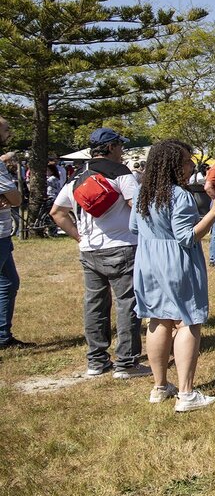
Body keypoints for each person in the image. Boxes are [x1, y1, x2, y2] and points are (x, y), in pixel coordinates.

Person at [131, 140, 215, 411]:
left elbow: (134, 228)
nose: (191, 166)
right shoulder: (179, 195)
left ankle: (159, 386)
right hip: (177, 262)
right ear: (174, 164)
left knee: (158, 319)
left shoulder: (143, 193)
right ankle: (186, 393)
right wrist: (214, 211)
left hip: (148, 262)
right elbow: (187, 237)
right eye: (187, 161)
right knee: (188, 321)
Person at [50, 128, 148, 378]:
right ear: (112, 147)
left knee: (95, 305)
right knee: (127, 304)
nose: (123, 150)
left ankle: (96, 360)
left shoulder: (77, 178)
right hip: (122, 246)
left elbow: (57, 213)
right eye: (120, 146)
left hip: (90, 250)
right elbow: (136, 208)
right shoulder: (121, 173)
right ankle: (126, 363)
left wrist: (79, 236)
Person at [0, 116, 29, 349]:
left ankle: (2, 336)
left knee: (9, 283)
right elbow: (16, 198)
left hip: (3, 234)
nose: (9, 133)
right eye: (6, 130)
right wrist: (9, 198)